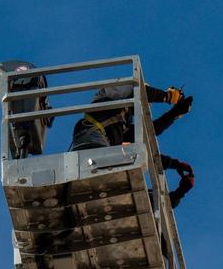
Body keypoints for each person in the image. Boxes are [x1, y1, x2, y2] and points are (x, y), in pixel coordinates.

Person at [69, 82, 197, 208]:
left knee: (142, 195)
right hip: (92, 136)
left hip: (102, 146)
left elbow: (149, 134)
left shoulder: (121, 126)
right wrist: (168, 96)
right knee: (119, 171)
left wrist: (175, 113)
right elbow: (143, 91)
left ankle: (174, 197)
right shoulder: (114, 95)